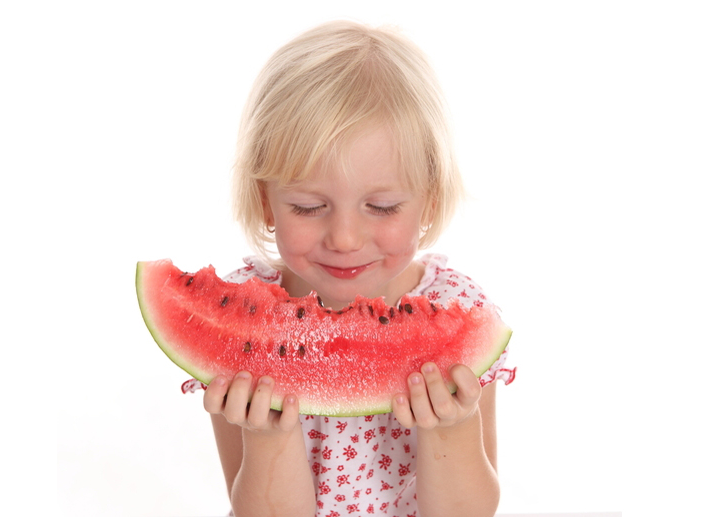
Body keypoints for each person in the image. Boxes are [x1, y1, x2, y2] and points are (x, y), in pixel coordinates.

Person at [192, 20, 515, 517]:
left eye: (382, 207)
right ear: (265, 200)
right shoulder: (240, 325)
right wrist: (267, 437)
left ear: (429, 201)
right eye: (307, 207)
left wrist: (451, 428)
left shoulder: (459, 313)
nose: (344, 239)